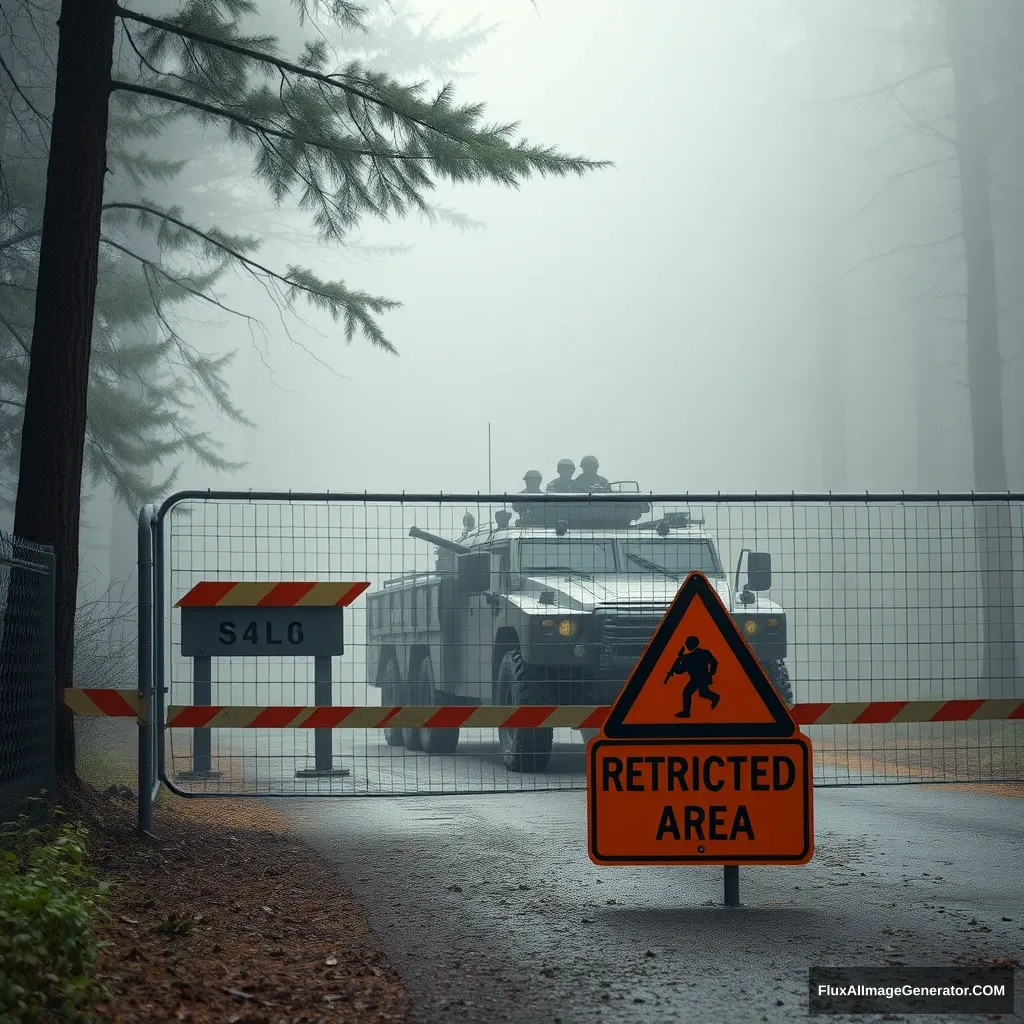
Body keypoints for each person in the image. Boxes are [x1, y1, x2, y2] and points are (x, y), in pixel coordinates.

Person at [663, 635, 720, 718]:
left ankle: (714, 698)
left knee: (690, 693)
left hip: (698, 679)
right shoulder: (705, 652)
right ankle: (714, 698)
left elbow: (680, 670)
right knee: (699, 693)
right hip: (701, 679)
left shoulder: (688, 658)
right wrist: (711, 673)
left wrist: (677, 664)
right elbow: (714, 662)